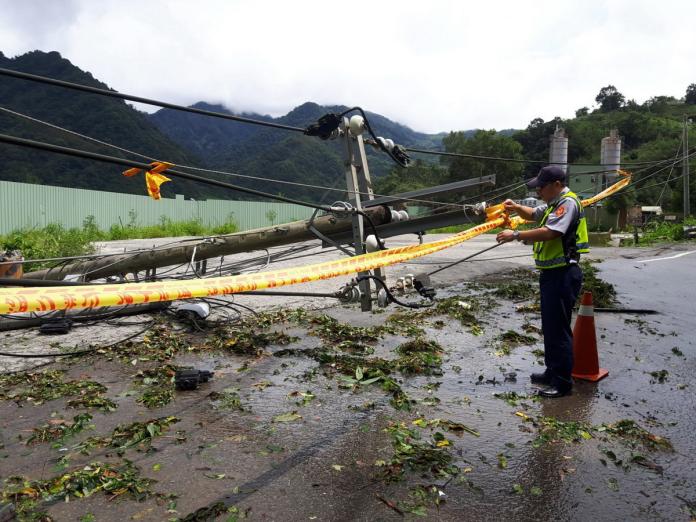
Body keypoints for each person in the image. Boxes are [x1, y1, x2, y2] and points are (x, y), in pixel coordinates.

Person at [496, 166, 589, 398]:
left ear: (556, 184)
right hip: (552, 273)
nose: (538, 191)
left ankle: (562, 382)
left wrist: (515, 235)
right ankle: (552, 372)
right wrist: (517, 208)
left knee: (558, 330)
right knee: (550, 327)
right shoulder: (554, 203)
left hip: (563, 273)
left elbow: (550, 232)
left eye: (541, 186)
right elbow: (533, 214)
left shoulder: (568, 203)